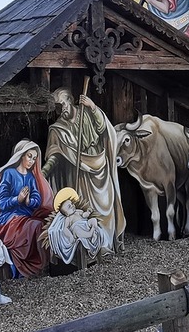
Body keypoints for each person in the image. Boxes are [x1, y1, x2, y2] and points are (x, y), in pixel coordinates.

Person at [43, 88, 126, 247]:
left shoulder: (86, 112)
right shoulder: (57, 129)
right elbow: (54, 155)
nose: (60, 110)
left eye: (62, 105)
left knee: (105, 205)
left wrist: (93, 106)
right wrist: (43, 172)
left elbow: (102, 128)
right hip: (78, 173)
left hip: (99, 165)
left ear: (70, 100)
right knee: (82, 208)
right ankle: (89, 245)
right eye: (57, 108)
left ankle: (106, 243)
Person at [0, 139, 54, 278]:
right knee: (33, 226)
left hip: (26, 217)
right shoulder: (9, 173)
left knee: (39, 226)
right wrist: (17, 199)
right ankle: (19, 272)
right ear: (21, 155)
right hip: (8, 218)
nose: (32, 161)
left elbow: (37, 200)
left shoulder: (31, 177)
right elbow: (1, 201)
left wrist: (29, 201)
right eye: (29, 156)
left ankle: (37, 270)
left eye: (34, 158)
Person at [43, 187, 114, 272]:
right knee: (77, 229)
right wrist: (70, 236)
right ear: (66, 213)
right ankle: (90, 233)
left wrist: (88, 212)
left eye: (72, 204)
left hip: (86, 225)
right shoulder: (68, 218)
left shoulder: (78, 211)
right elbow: (65, 229)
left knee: (93, 220)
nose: (72, 206)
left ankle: (93, 231)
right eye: (69, 207)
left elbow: (84, 215)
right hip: (77, 229)